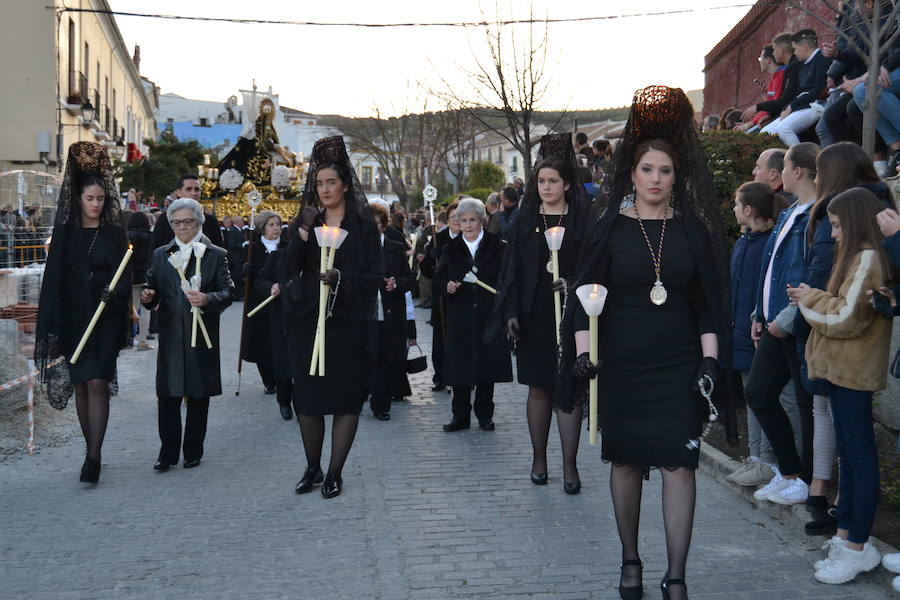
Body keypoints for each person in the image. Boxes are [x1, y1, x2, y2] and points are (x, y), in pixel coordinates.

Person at [558, 86, 735, 600]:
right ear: (631, 174)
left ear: (678, 177)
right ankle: (630, 559)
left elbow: (706, 305)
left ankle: (676, 576)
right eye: (647, 170)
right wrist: (585, 353)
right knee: (628, 463)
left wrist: (709, 361)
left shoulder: (693, 232)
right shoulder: (608, 227)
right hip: (623, 363)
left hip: (680, 363)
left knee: (681, 464)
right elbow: (585, 295)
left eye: (666, 171)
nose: (656, 179)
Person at [789, 188, 892, 584]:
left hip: (853, 373)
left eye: (835, 225)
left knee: (859, 458)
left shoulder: (867, 258)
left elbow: (848, 317)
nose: (832, 235)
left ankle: (856, 546)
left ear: (854, 221)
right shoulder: (855, 257)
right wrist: (815, 299)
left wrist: (808, 299)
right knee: (849, 458)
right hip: (839, 371)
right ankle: (848, 536)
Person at [282, 136, 383, 499]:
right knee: (307, 399)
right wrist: (303, 233)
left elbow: (375, 277)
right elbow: (286, 267)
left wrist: (342, 278)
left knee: (345, 398)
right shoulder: (305, 220)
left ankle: (335, 472)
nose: (324, 190)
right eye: (319, 183)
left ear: (345, 186)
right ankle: (312, 466)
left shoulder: (365, 226)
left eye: (331, 183)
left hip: (347, 323)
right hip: (307, 320)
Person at [495, 133, 591, 493]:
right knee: (538, 388)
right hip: (534, 314)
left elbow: (592, 265)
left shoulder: (581, 219)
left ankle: (570, 465)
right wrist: (511, 312)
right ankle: (539, 458)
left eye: (553, 181)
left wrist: (571, 283)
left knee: (568, 388)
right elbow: (512, 270)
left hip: (571, 316)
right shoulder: (524, 220)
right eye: (541, 181)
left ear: (567, 184)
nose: (547, 187)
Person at [35, 142, 132, 484]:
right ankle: (90, 450)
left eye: (101, 199)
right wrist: (53, 322)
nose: (95, 204)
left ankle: (94, 457)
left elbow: (125, 273)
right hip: (76, 318)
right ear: (78, 199)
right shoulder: (65, 234)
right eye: (90, 198)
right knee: (81, 386)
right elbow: (54, 282)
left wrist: (115, 293)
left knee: (98, 383)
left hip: (104, 318)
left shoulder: (113, 233)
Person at [745, 143, 821, 506]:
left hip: (794, 322)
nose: (780, 173)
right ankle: (788, 472)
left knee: (806, 405)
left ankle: (804, 479)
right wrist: (759, 315)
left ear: (799, 171)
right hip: (774, 319)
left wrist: (786, 320)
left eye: (785, 167)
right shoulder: (791, 211)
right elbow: (772, 270)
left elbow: (810, 274)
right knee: (758, 392)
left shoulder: (816, 215)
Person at [140, 198, 234, 472]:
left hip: (201, 333)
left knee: (198, 393)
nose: (181, 227)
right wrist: (148, 297)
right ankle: (167, 452)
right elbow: (152, 286)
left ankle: (193, 450)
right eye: (176, 222)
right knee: (167, 394)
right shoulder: (161, 254)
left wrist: (207, 298)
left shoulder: (216, 254)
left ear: (199, 222)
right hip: (171, 332)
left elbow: (228, 291)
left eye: (187, 222)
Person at [437, 198, 511, 432]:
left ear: (482, 221)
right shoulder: (450, 249)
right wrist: (446, 286)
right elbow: (439, 277)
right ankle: (460, 415)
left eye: (472, 220)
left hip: (488, 315)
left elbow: (506, 279)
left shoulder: (497, 246)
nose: (467, 225)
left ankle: (485, 414)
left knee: (486, 368)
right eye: (463, 221)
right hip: (460, 316)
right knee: (460, 368)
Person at [725, 182, 781, 488]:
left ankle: (766, 460)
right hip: (741, 332)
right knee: (750, 394)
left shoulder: (765, 244)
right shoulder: (744, 242)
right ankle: (755, 456)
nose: (733, 209)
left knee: (760, 395)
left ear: (748, 210)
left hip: (756, 333)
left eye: (736, 204)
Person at [367, 201, 415, 421]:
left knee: (386, 360)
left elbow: (409, 278)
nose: (372, 228)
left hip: (390, 313)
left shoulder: (395, 248)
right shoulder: (357, 250)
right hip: (365, 315)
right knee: (367, 359)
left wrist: (397, 283)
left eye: (376, 224)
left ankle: (381, 405)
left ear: (383, 225)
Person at [241, 210, 291, 413]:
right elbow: (243, 277)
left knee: (280, 343)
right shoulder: (253, 249)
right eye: (271, 225)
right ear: (263, 227)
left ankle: (282, 379)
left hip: (282, 303)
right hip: (259, 302)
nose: (275, 228)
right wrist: (245, 273)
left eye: (278, 224)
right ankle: (268, 380)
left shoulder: (287, 247)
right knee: (262, 343)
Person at [761, 30, 832, 146]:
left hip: (816, 105)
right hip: (802, 105)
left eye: (795, 49)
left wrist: (792, 106)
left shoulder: (822, 59)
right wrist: (789, 107)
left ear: (804, 47)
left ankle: (799, 158)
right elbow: (800, 93)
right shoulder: (803, 65)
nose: (794, 53)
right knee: (766, 132)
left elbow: (819, 91)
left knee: (784, 128)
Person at [419, 203, 460, 392]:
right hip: (442, 299)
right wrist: (431, 258)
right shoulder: (438, 239)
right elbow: (426, 270)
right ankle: (441, 375)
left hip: (462, 295)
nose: (458, 222)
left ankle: (461, 373)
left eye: (460, 218)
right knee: (440, 338)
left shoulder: (468, 238)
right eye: (454, 218)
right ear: (447, 220)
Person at [254, 235, 294, 421]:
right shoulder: (278, 257)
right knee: (283, 361)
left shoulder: (317, 258)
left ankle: (304, 403)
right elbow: (261, 280)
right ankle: (284, 400)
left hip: (306, 317)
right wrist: (272, 286)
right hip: (280, 316)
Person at [153, 175, 224, 249]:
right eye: (189, 189)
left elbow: (219, 253)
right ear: (178, 192)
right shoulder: (165, 220)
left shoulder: (211, 221)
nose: (194, 193)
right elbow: (155, 252)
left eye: (197, 189)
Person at [736, 45, 786, 132]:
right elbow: (769, 105)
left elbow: (775, 105)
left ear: (768, 60)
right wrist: (751, 122)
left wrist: (749, 124)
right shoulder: (774, 78)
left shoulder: (781, 75)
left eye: (760, 59)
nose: (759, 62)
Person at [127, 211, 154, 351]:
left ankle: (129, 339)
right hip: (146, 276)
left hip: (132, 277)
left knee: (132, 309)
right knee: (146, 310)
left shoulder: (128, 237)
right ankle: (143, 340)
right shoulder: (151, 237)